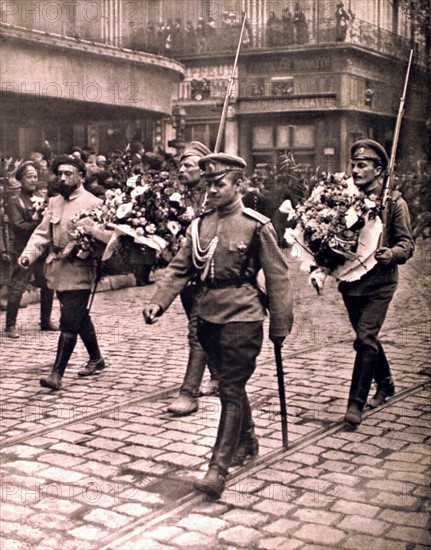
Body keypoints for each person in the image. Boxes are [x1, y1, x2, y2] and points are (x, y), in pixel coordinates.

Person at [143, 153, 293, 499]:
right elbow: (181, 268)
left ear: (238, 185)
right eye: (208, 184)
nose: (211, 191)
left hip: (243, 314)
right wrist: (158, 301)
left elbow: (278, 277)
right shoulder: (201, 224)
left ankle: (217, 468)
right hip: (207, 314)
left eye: (219, 184)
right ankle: (248, 439)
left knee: (229, 387)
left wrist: (280, 325)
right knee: (230, 384)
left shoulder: (257, 225)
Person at [18, 155, 110, 390]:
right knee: (79, 316)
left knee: (69, 319)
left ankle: (56, 374)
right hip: (57, 268)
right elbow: (42, 234)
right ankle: (97, 359)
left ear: (81, 176)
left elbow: (107, 239)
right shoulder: (53, 203)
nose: (63, 178)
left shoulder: (94, 203)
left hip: (80, 268)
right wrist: (28, 255)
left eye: (68, 174)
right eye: (59, 174)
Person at [341, 139, 414, 427]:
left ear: (379, 169)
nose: (355, 171)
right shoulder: (345, 199)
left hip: (381, 283)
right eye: (353, 165)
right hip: (351, 282)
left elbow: (407, 244)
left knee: (364, 339)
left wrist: (392, 254)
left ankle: (355, 404)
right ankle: (385, 384)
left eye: (362, 165)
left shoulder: (394, 204)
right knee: (366, 336)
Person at [167, 141, 220, 416]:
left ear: (203, 169)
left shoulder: (215, 196)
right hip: (185, 275)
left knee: (196, 330)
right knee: (202, 327)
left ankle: (188, 392)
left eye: (188, 165)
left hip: (209, 275)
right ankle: (217, 375)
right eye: (180, 164)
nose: (182, 169)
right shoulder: (176, 198)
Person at [5, 161, 58, 338]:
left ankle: (45, 321)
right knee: (18, 286)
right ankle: (10, 325)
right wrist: (37, 224)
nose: (33, 180)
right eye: (29, 176)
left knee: (47, 284)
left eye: (35, 176)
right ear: (20, 179)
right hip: (23, 250)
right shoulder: (14, 200)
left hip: (40, 250)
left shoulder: (41, 200)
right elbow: (17, 225)